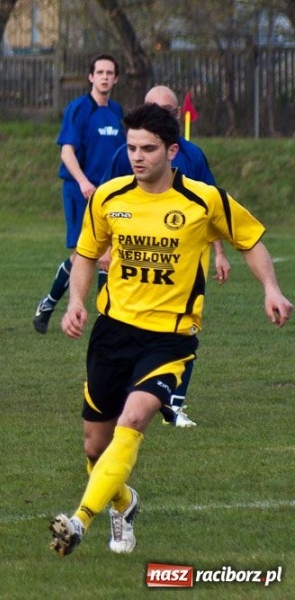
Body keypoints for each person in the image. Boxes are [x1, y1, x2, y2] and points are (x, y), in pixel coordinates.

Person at [49, 103, 292, 557]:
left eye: (149, 149)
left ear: (172, 150)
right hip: (113, 332)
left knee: (135, 417)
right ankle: (124, 502)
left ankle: (80, 521)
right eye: (132, 147)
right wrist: (77, 302)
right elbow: (86, 253)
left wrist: (271, 289)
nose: (137, 157)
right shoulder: (109, 196)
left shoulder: (204, 199)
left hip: (170, 339)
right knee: (95, 448)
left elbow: (251, 241)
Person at [103, 84, 230, 427]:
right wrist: (107, 248)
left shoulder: (192, 155)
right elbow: (105, 206)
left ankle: (172, 405)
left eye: (168, 111)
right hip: (136, 261)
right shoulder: (126, 155)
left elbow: (215, 209)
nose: (139, 154)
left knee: (183, 332)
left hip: (185, 264)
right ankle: (129, 393)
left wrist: (219, 253)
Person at [33, 54, 125, 334]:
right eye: (100, 72)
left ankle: (94, 315)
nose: (105, 77)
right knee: (86, 252)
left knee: (107, 253)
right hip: (80, 191)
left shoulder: (118, 113)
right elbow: (66, 150)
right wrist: (84, 182)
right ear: (91, 77)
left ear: (116, 79)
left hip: (109, 195)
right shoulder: (79, 109)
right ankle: (52, 303)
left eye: (110, 72)